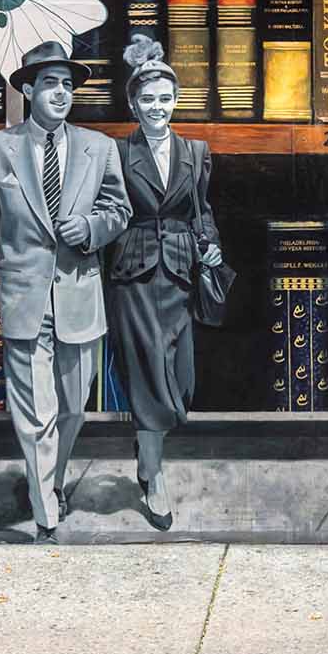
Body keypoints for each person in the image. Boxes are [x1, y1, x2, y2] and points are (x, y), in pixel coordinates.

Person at [0, 41, 130, 543]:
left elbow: (119, 212)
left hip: (79, 297)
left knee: (73, 406)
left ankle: (48, 482)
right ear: (28, 89)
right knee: (37, 413)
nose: (61, 93)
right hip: (23, 300)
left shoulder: (100, 148)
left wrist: (92, 228)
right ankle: (44, 508)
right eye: (51, 83)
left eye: (68, 85)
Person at [102, 34, 223, 532]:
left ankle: (146, 449)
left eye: (165, 99)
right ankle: (153, 477)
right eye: (147, 99)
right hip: (132, 273)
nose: (157, 107)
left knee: (180, 376)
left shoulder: (195, 152)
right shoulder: (117, 152)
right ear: (133, 102)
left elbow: (202, 212)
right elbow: (109, 208)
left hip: (180, 271)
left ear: (176, 101)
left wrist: (211, 244)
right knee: (149, 369)